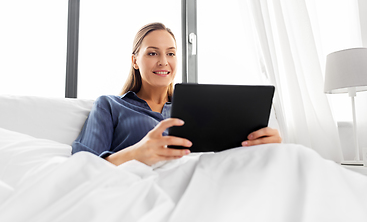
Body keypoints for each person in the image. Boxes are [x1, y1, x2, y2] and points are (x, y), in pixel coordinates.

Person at [72, 22, 282, 166]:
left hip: (200, 186)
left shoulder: (199, 110)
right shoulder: (110, 106)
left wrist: (263, 146)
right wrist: (134, 154)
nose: (163, 61)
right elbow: (82, 165)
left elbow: (222, 158)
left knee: (295, 156)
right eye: (153, 53)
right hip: (142, 188)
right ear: (135, 61)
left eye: (171, 53)